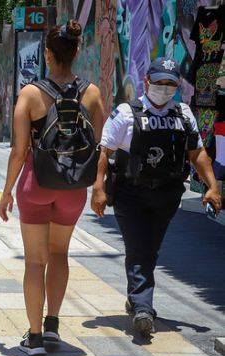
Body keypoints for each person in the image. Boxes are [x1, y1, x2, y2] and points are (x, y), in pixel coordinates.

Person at [91, 57, 222, 337]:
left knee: (149, 248)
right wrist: (98, 188)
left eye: (170, 84)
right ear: (146, 81)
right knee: (139, 248)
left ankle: (137, 297)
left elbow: (197, 153)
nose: (164, 88)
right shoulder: (126, 113)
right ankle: (142, 308)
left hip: (167, 194)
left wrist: (212, 186)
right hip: (130, 193)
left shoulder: (183, 114)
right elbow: (104, 151)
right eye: (159, 82)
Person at [0, 21, 105, 356]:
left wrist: (6, 191)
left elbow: (19, 151)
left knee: (34, 262)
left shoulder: (30, 94)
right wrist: (98, 185)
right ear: (77, 51)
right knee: (59, 254)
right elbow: (99, 145)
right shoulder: (92, 93)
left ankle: (34, 338)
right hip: (73, 188)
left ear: (47, 54)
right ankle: (52, 325)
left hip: (36, 183)